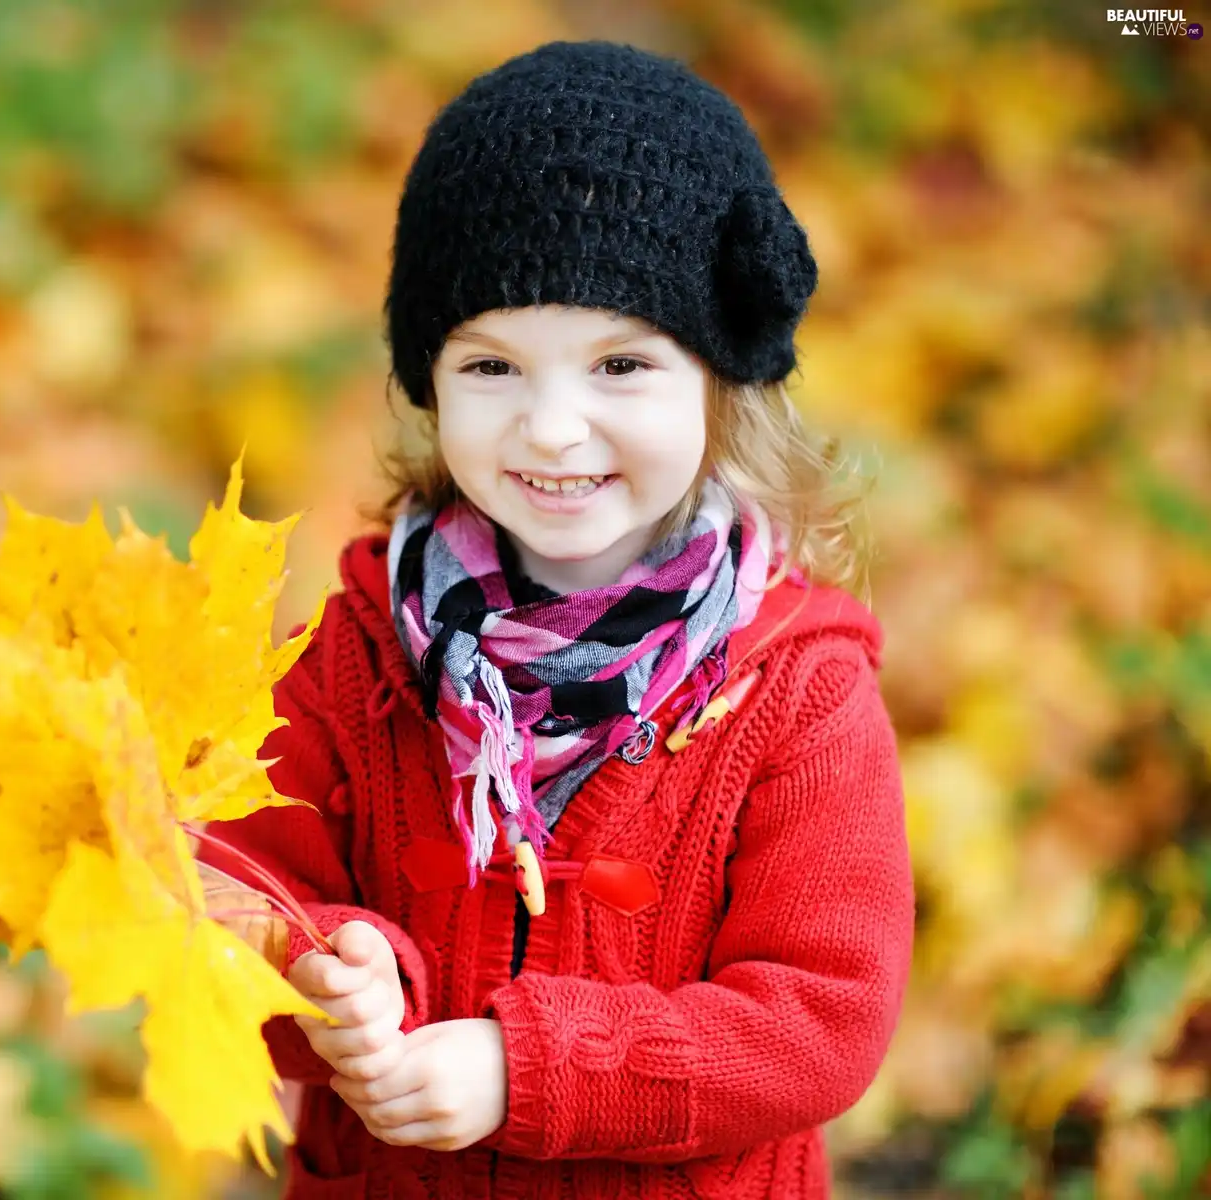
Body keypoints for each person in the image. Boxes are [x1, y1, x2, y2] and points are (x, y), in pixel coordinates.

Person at [198, 39, 915, 1200]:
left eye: (620, 365)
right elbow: (233, 888)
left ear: (723, 379)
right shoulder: (357, 652)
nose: (550, 428)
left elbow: (819, 1019)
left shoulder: (796, 693)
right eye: (493, 368)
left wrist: (528, 1068)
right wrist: (331, 971)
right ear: (430, 381)